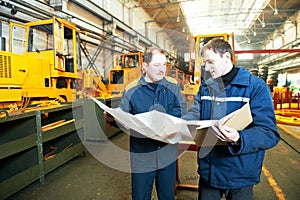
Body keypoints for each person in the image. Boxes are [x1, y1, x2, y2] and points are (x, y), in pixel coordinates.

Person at [182, 38, 280, 200]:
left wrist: (238, 137)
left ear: (226, 57)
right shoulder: (206, 87)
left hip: (239, 175)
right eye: (205, 63)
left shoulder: (254, 87)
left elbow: (269, 133)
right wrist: (182, 122)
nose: (206, 68)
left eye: (210, 62)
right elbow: (195, 113)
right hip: (209, 171)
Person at [105, 47, 186, 200]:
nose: (162, 69)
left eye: (164, 65)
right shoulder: (131, 89)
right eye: (157, 65)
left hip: (166, 153)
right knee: (140, 196)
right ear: (145, 65)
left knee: (167, 196)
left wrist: (162, 120)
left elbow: (180, 109)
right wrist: (113, 119)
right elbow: (124, 118)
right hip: (142, 154)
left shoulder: (172, 85)